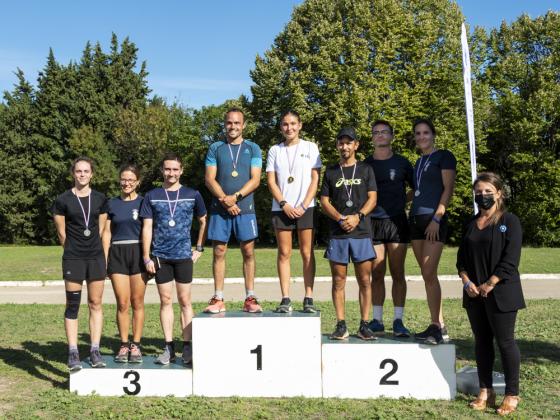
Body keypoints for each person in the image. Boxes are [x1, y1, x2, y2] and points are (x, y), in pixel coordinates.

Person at [457, 172, 524, 416]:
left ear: (499, 194)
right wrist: (468, 282)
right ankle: (485, 391)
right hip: (474, 295)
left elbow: (511, 259)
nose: (482, 196)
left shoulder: (510, 221)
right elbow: (461, 260)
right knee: (482, 343)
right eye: (478, 192)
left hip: (501, 293)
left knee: (505, 343)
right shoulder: (470, 224)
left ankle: (511, 394)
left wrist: (490, 283)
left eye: (487, 191)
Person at [140, 153, 207, 365]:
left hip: (184, 256)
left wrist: (199, 248)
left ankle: (188, 347)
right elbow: (147, 227)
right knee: (166, 301)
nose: (171, 173)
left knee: (186, 301)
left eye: (175, 169)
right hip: (161, 257)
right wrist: (146, 256)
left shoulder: (192, 194)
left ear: (181, 170)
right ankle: (168, 347)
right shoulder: (152, 196)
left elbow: (204, 220)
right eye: (167, 169)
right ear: (162, 170)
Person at [320, 127, 378, 340]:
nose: (344, 146)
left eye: (348, 142)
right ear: (337, 145)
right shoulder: (331, 171)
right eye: (341, 142)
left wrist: (358, 216)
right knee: (338, 280)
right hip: (338, 232)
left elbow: (373, 198)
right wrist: (340, 218)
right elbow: (324, 201)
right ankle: (341, 325)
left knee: (365, 280)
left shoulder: (366, 169)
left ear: (356, 145)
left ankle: (364, 325)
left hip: (361, 231)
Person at [203, 107, 263, 313]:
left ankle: (250, 297)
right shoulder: (215, 148)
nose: (233, 126)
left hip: (245, 208)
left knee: (248, 251)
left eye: (237, 123)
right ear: (224, 124)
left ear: (244, 125)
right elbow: (209, 178)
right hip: (220, 209)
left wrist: (235, 198)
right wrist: (224, 200)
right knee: (219, 251)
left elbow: (256, 179)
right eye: (229, 122)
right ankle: (218, 298)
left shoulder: (253, 148)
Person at [52, 156, 108, 371]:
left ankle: (94, 349)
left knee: (95, 303)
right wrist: (74, 249)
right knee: (73, 306)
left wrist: (97, 252)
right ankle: (73, 351)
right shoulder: (63, 200)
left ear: (92, 174)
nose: (82, 175)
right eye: (78, 171)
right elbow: (61, 233)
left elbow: (102, 230)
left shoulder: (101, 199)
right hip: (73, 258)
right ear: (73, 174)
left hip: (95, 258)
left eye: (86, 171)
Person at [266, 110, 321, 313]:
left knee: (307, 253)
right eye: (285, 124)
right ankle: (285, 298)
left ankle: (308, 297)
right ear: (281, 127)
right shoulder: (275, 150)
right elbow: (271, 181)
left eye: (293, 124)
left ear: (300, 125)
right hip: (281, 208)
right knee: (284, 253)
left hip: (306, 207)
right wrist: (283, 204)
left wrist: (304, 205)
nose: (289, 128)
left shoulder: (311, 147)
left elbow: (315, 178)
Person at [364, 120, 414, 337]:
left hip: (397, 222)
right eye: (376, 132)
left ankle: (398, 320)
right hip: (372, 223)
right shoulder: (365, 165)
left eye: (384, 132)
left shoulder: (403, 163)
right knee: (376, 273)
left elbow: (415, 189)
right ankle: (377, 319)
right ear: (372, 137)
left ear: (392, 136)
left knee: (398, 273)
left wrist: (402, 201)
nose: (380, 135)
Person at [409, 118, 456, 345]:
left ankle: (437, 326)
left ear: (433, 134)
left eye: (425, 133)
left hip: (433, 220)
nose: (421, 137)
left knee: (429, 273)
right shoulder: (418, 161)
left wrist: (437, 217)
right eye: (417, 134)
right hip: (415, 220)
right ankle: (439, 324)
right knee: (426, 274)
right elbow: (417, 190)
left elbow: (448, 188)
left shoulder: (444, 156)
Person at [102, 164, 147, 363]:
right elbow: (106, 233)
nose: (127, 183)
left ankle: (135, 345)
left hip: (138, 253)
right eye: (123, 179)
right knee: (122, 302)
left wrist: (148, 256)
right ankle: (123, 344)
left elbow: (149, 230)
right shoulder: (111, 203)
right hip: (117, 253)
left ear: (137, 181)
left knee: (137, 302)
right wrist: (104, 260)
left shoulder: (145, 202)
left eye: (131, 179)